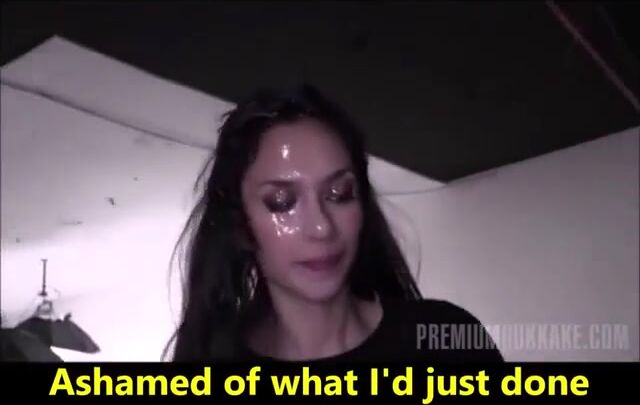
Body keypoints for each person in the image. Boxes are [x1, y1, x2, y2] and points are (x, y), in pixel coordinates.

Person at [163, 83, 503, 363]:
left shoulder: (447, 341)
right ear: (239, 223)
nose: (322, 227)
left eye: (340, 194)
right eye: (281, 201)